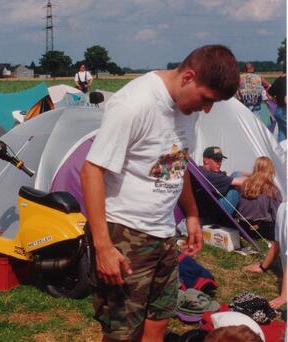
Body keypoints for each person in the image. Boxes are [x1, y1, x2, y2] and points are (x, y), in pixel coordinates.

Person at [80, 45, 239, 342]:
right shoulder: (133, 104)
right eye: (206, 99)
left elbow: (175, 163)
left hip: (164, 234)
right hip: (124, 234)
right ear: (189, 76)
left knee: (159, 320)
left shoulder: (186, 108)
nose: (206, 109)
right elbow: (91, 171)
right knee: (122, 332)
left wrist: (191, 213)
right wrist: (103, 247)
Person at [244, 202, 287, 310]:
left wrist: (284, 296)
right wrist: (263, 266)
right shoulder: (283, 208)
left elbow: (277, 242)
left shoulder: (283, 207)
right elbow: (277, 242)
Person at [195, 146, 249, 222]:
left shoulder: (211, 172)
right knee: (235, 190)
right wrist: (262, 179)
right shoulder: (206, 174)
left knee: (236, 174)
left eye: (221, 159)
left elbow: (233, 173)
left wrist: (255, 173)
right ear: (206, 160)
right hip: (212, 216)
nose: (220, 163)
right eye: (217, 159)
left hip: (214, 209)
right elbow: (241, 182)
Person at [236, 156, 282, 241]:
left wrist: (255, 175)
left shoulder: (244, 185)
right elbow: (278, 216)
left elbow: (238, 172)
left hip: (243, 228)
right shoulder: (272, 190)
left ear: (255, 168)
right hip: (263, 230)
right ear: (270, 170)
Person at [267, 65, 286, 142]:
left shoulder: (279, 80)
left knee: (281, 132)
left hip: (278, 110)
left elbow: (269, 94)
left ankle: (280, 151)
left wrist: (276, 101)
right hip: (285, 112)